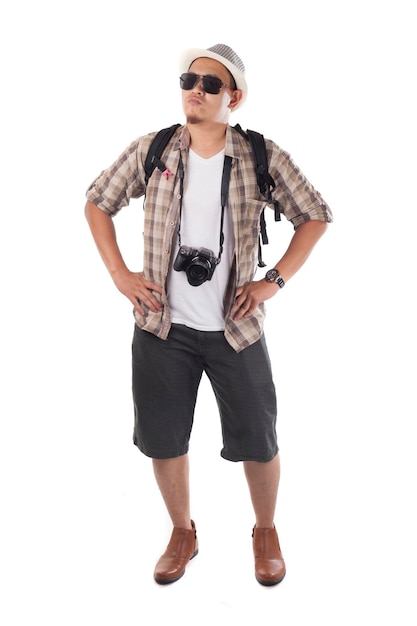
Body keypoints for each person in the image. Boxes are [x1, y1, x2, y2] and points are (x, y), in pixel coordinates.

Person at [84, 43, 333, 586]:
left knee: (259, 437)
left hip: (236, 329)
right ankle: (182, 532)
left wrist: (274, 280)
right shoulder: (153, 149)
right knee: (162, 437)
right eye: (188, 79)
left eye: (211, 83)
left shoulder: (261, 155)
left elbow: (315, 214)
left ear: (233, 97)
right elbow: (97, 201)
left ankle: (265, 531)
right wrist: (120, 275)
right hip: (160, 327)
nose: (195, 88)